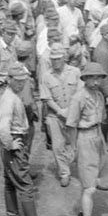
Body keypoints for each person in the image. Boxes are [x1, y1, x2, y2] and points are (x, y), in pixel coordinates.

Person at [0, 62, 52, 216]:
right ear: (9, 79)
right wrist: (10, 144)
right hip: (15, 140)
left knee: (9, 179)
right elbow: (4, 126)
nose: (21, 84)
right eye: (18, 81)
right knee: (26, 185)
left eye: (23, 81)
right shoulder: (8, 98)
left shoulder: (12, 94)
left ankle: (12, 213)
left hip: (14, 140)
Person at [66, 62, 108, 216]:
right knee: (89, 187)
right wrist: (72, 147)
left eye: (98, 77)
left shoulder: (99, 95)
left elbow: (103, 117)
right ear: (84, 78)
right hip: (84, 139)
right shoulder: (79, 97)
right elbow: (71, 125)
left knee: (94, 177)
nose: (95, 80)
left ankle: (87, 214)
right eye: (91, 77)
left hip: (97, 135)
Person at [39, 42, 80, 186]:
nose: (55, 61)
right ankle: (64, 172)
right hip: (54, 116)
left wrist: (71, 111)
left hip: (72, 114)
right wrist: (60, 111)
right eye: (53, 58)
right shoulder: (46, 76)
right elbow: (46, 98)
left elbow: (80, 93)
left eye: (58, 58)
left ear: (64, 58)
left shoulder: (75, 72)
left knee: (73, 144)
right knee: (58, 145)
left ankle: (70, 162)